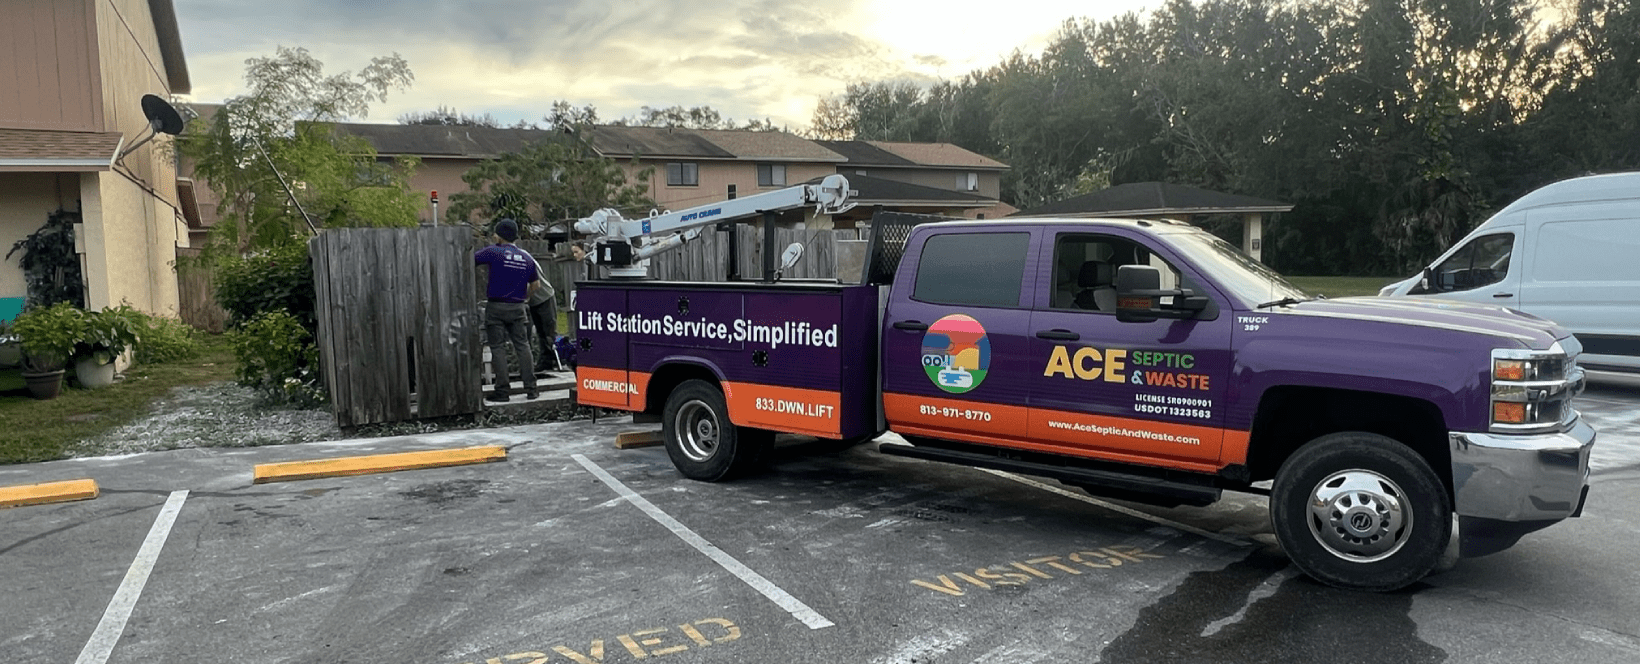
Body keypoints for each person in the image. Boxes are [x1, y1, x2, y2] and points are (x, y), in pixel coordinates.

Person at [474, 219, 538, 402]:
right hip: (518, 307)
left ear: (500, 235)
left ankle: (502, 391)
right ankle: (531, 389)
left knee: (497, 347)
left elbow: (470, 259)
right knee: (523, 345)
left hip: (496, 306)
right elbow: (536, 284)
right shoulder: (526, 257)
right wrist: (525, 298)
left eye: (496, 233)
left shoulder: (493, 252)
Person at [524, 250, 559, 371]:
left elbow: (533, 284)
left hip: (544, 297)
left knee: (548, 332)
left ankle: (554, 361)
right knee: (536, 332)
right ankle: (543, 363)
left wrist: (525, 298)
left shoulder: (525, 259)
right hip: (530, 300)